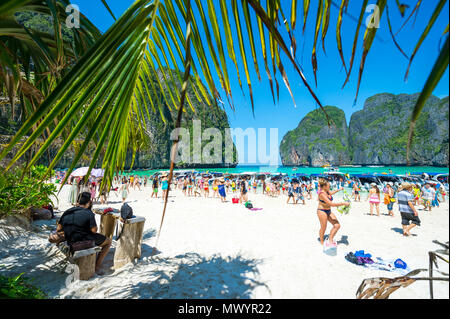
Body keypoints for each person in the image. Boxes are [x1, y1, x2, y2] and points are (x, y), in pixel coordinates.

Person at [49, 192, 111, 275]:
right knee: (108, 242)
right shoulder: (89, 213)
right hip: (85, 239)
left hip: (70, 239)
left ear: (78, 201)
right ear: (89, 203)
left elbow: (58, 229)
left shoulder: (67, 211)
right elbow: (94, 230)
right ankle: (97, 266)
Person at [316, 179, 349, 247]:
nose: (330, 187)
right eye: (329, 186)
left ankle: (330, 239)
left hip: (328, 211)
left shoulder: (327, 191)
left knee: (337, 225)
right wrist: (343, 203)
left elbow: (332, 192)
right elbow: (331, 204)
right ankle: (322, 241)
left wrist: (339, 189)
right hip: (322, 211)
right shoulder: (322, 194)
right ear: (324, 186)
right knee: (323, 227)